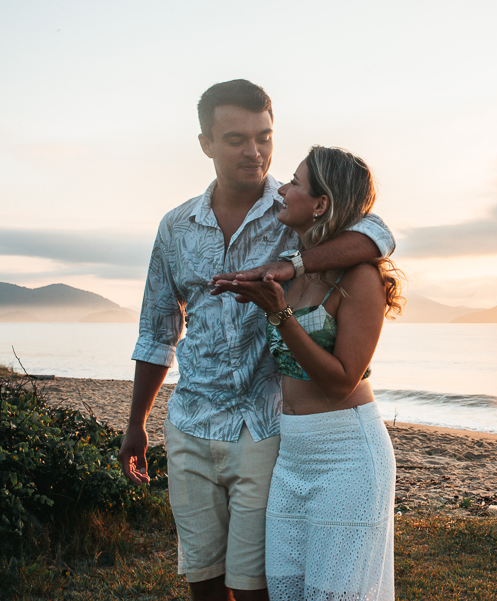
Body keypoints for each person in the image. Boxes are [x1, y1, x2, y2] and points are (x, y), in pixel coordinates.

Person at [118, 80, 395, 601]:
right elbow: (158, 331)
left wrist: (289, 263)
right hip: (191, 422)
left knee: (254, 588)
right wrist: (136, 423)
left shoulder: (298, 214)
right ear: (205, 143)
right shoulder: (175, 227)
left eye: (264, 137)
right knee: (202, 580)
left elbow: (378, 236)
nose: (255, 152)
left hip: (265, 428)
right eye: (236, 139)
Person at [215, 145, 400, 601]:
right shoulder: (290, 269)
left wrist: (280, 316)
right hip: (292, 454)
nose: (282, 188)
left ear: (320, 204)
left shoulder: (359, 277)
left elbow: (341, 382)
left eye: (295, 183)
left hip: (347, 455)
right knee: (287, 592)